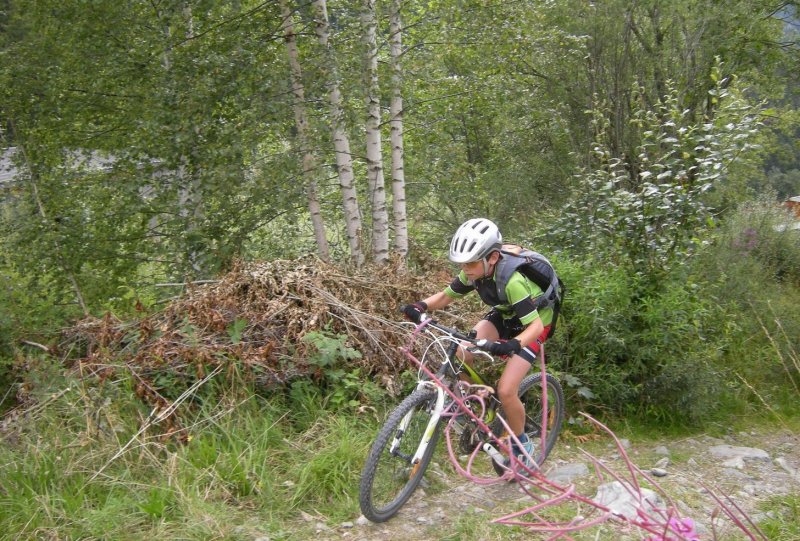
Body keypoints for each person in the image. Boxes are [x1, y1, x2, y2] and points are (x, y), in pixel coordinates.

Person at [401, 218, 557, 469]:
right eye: (463, 263)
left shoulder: (514, 282)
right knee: (462, 351)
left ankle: (522, 444)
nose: (466, 268)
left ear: (493, 258)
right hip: (506, 314)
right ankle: (481, 401)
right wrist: (421, 306)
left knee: (507, 389)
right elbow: (444, 297)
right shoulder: (474, 272)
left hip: (535, 323)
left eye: (472, 262)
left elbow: (535, 327)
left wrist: (511, 345)